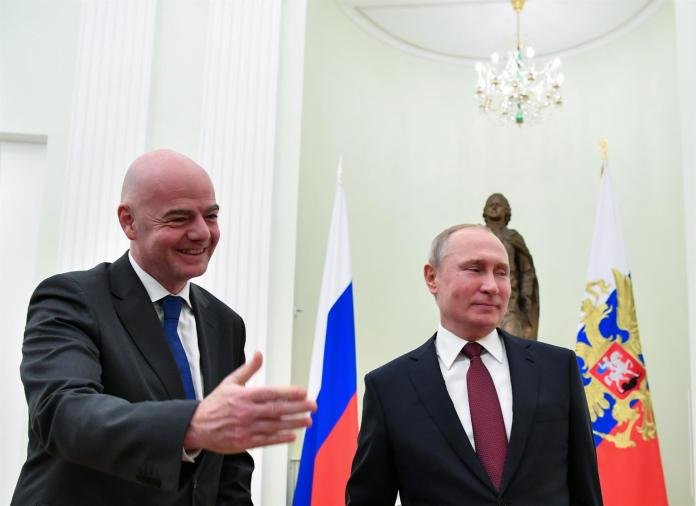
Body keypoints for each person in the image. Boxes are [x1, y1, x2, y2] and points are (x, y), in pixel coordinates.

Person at [12, 150, 316, 505]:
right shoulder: (72, 298)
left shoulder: (225, 323)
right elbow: (63, 414)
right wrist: (191, 426)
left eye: (211, 215)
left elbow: (227, 469)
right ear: (129, 221)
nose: (202, 232)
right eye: (179, 218)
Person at [346, 224, 602, 506]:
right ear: (432, 277)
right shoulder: (389, 389)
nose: (491, 286)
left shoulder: (557, 369)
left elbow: (586, 490)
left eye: (501, 272)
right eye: (475, 269)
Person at [483, 193, 540, 340]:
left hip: (510, 304)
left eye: (498, 205)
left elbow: (526, 272)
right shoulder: (477, 235)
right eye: (490, 205)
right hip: (481, 301)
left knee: (515, 344)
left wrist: (526, 297)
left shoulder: (513, 238)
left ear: (506, 211)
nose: (494, 207)